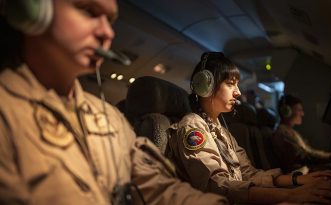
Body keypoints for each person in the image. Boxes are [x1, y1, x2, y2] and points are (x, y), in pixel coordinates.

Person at [0, 1, 228, 204]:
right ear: (32, 10)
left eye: (110, 20)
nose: (108, 32)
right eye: (89, 11)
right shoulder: (7, 113)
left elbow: (157, 186)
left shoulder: (108, 116)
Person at [167, 52, 331, 204]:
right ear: (205, 86)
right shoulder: (193, 127)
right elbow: (218, 186)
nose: (237, 92)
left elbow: (248, 174)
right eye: (230, 84)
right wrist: (291, 194)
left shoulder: (220, 129)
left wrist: (298, 179)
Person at [272, 94, 331, 173]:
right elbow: (305, 157)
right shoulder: (283, 133)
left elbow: (309, 151)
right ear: (286, 111)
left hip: (303, 171)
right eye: (299, 110)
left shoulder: (290, 131)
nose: (302, 114)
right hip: (297, 175)